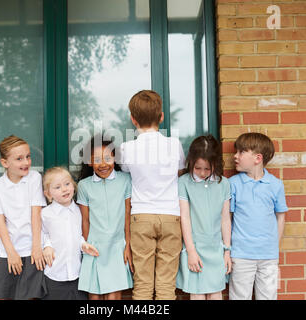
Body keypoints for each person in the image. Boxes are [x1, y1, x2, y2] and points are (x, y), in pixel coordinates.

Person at [118, 90, 185, 300]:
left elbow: (125, 172)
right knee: (166, 285)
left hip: (141, 216)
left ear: (133, 119)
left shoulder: (126, 147)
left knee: (143, 284)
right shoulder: (174, 144)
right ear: (162, 116)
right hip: (171, 216)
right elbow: (180, 170)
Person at [228, 132, 288, 300]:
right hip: (241, 254)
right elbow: (228, 218)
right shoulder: (233, 184)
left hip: (268, 256)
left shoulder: (275, 185)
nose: (235, 156)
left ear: (257, 158)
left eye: (241, 152)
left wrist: (274, 248)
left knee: (268, 297)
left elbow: (280, 217)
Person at [0, 135, 47, 300]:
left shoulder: (34, 178)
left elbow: (36, 214)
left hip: (33, 249)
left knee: (28, 297)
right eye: (19, 159)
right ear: (5, 163)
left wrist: (36, 247)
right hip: (9, 250)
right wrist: (11, 253)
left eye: (28, 157)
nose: (26, 162)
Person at [76, 135, 134, 300]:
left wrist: (127, 245)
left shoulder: (125, 180)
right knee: (94, 295)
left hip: (117, 246)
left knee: (114, 295)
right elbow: (84, 220)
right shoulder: (84, 186)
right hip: (95, 247)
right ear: (89, 161)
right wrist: (86, 245)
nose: (103, 164)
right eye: (97, 160)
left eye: (107, 158)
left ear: (115, 158)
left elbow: (128, 215)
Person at [176, 135, 232, 300]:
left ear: (216, 164)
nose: (202, 173)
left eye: (207, 169)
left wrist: (227, 251)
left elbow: (225, 219)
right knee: (197, 295)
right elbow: (184, 217)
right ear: (191, 162)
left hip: (216, 249)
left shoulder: (224, 184)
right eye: (198, 168)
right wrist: (191, 251)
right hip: (195, 249)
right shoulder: (184, 182)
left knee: (216, 294)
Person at [40, 166, 99, 300]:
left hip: (77, 274)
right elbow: (42, 233)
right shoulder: (45, 214)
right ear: (48, 194)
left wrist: (84, 245)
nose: (64, 189)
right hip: (54, 274)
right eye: (58, 187)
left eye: (67, 184)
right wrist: (46, 246)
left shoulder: (79, 211)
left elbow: (77, 236)